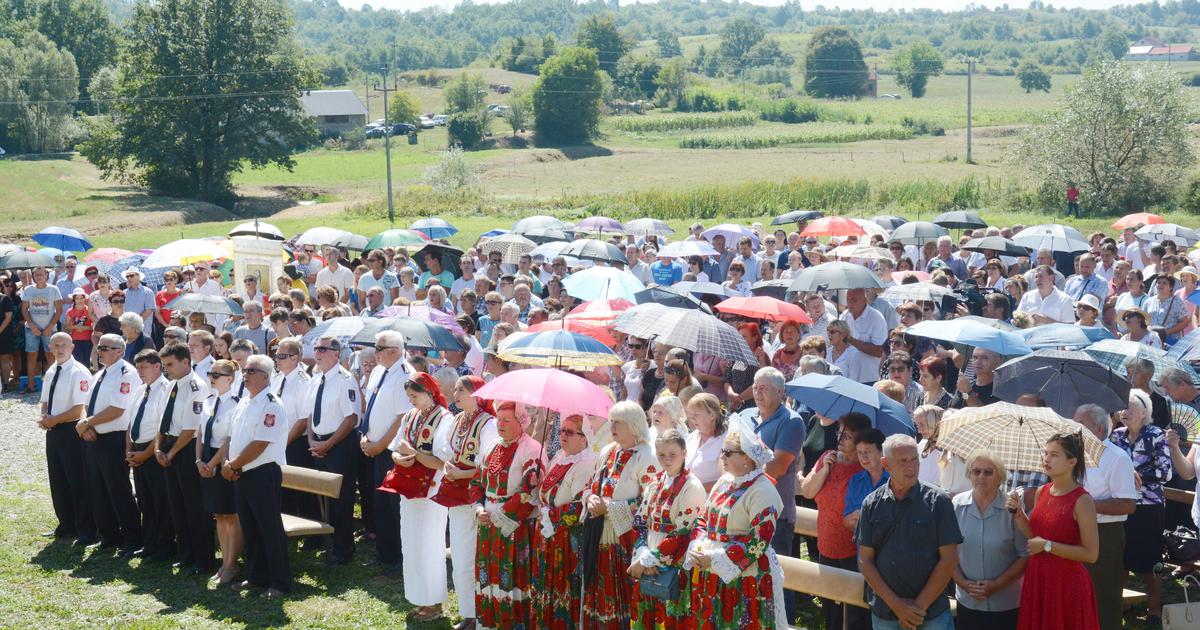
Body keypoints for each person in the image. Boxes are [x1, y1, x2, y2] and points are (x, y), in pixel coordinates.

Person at [683, 414, 787, 629]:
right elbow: (704, 518)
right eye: (722, 451)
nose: (722, 457)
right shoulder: (725, 480)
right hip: (710, 569)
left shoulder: (763, 490)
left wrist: (716, 558)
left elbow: (758, 542)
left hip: (745, 575)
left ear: (748, 458)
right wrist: (697, 544)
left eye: (728, 453)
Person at [857, 434, 962, 630]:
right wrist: (898, 607)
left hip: (931, 614)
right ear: (886, 464)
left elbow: (949, 559)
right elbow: (865, 560)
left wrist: (917, 608)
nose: (911, 466)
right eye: (903, 461)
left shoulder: (939, 502)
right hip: (886, 613)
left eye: (915, 459)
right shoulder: (871, 504)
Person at [1007, 432, 1100, 630]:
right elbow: (1035, 537)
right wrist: (1018, 514)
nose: (1046, 459)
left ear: (1072, 462)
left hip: (1065, 584)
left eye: (1055, 455)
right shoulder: (1042, 491)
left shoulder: (1083, 501)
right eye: (1046, 453)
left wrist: (1048, 546)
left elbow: (1091, 554)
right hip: (1038, 577)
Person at [581, 401, 658, 628]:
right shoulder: (607, 451)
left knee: (622, 593)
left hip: (625, 538)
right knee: (599, 591)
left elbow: (649, 500)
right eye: (611, 421)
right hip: (599, 533)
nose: (612, 426)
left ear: (634, 425)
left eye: (619, 422)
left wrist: (611, 507)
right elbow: (590, 485)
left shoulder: (647, 456)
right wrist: (590, 498)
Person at [738, 367, 805, 622]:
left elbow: (776, 467)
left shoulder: (792, 421)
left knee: (778, 576)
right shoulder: (744, 415)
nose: (758, 392)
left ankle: (785, 623)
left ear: (780, 392)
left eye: (764, 388)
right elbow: (728, 455)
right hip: (743, 511)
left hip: (775, 513)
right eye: (755, 387)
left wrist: (741, 469)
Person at [223, 354, 292, 597]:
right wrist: (231, 464)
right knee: (250, 529)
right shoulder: (245, 401)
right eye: (245, 370)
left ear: (265, 376)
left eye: (251, 371)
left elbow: (261, 443)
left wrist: (233, 465)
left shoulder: (271, 403)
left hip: (262, 473)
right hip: (242, 472)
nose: (245, 374)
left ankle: (279, 583)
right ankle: (257, 577)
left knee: (269, 529)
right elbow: (235, 437)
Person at [388, 373, 455, 621]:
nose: (411, 401)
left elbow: (441, 461)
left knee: (430, 543)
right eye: (409, 397)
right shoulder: (411, 415)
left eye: (414, 396)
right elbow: (396, 447)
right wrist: (399, 458)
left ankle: (435, 602)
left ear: (428, 392)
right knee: (412, 542)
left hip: (432, 491)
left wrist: (413, 454)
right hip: (409, 489)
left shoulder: (444, 419)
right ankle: (419, 598)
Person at [474, 401, 544, 630]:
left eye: (507, 420)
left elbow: (529, 491)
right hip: (487, 521)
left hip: (515, 526)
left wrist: (501, 516)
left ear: (521, 422)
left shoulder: (532, 449)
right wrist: (479, 508)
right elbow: (477, 482)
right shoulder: (493, 445)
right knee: (488, 574)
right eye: (498, 419)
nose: (500, 424)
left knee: (513, 576)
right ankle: (490, 623)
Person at [799, 412, 873, 630]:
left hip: (853, 547)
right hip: (827, 541)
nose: (839, 439)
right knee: (829, 603)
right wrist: (825, 470)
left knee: (854, 609)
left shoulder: (866, 468)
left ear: (861, 439)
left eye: (847, 436)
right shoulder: (827, 457)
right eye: (839, 433)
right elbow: (808, 492)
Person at [627, 428, 706, 628]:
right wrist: (642, 551)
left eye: (673, 454)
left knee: (670, 620)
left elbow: (683, 532)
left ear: (684, 453)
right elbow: (640, 522)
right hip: (649, 562)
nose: (667, 460)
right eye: (661, 455)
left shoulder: (692, 486)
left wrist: (648, 559)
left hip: (672, 567)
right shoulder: (656, 482)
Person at [433, 376, 495, 628]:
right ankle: (468, 612)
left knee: (474, 555)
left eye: (462, 390)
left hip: (477, 497)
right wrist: (449, 465)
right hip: (456, 493)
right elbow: (447, 450)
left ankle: (480, 613)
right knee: (459, 555)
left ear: (477, 394)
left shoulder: (488, 423)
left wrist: (463, 473)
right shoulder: (458, 419)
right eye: (455, 389)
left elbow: (489, 465)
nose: (456, 394)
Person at [1109, 389, 1171, 623]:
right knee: (1121, 554)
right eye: (1122, 408)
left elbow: (1165, 472)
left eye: (1130, 408)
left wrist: (1137, 475)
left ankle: (1154, 606)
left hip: (1149, 504)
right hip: (1123, 502)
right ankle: (1123, 602)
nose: (1124, 412)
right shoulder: (1116, 436)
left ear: (1144, 413)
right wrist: (1125, 473)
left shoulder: (1156, 435)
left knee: (1150, 557)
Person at [79, 333, 143, 556]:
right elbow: (88, 404)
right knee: (97, 489)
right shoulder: (101, 373)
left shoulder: (127, 373)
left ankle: (133, 539)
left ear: (120, 351)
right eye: (99, 347)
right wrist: (88, 426)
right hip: (95, 437)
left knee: (118, 489)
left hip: (113, 439)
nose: (100, 350)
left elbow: (118, 408)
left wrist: (88, 422)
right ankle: (109, 536)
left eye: (105, 348)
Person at [1075, 404, 1138, 630]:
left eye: (1080, 424)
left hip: (1104, 536)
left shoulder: (1117, 458)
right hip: (1073, 532)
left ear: (1100, 430)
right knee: (1075, 597)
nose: (1074, 428)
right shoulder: (1071, 454)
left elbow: (1128, 504)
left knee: (1102, 598)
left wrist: (1086, 505)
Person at [358, 330, 414, 576]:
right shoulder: (380, 371)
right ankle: (385, 553)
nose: (375, 352)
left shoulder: (405, 375)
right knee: (379, 503)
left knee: (395, 506)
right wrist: (365, 436)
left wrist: (380, 445)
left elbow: (401, 419)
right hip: (374, 446)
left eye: (378, 348)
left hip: (392, 451)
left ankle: (402, 558)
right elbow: (370, 406)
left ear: (394, 350)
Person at [531, 414, 595, 629]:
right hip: (547, 534)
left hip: (567, 539)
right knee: (543, 584)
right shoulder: (559, 456)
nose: (563, 436)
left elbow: (579, 507)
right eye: (562, 431)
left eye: (570, 432)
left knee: (563, 588)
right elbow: (547, 493)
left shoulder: (586, 464)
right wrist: (539, 484)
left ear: (584, 438)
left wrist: (550, 516)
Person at [952, 450, 1028, 630]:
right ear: (969, 474)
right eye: (976, 471)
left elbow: (1025, 555)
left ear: (1000, 476)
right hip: (967, 602)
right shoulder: (956, 505)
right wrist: (962, 583)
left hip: (1005, 603)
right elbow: (947, 551)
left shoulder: (1013, 509)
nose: (981, 477)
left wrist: (997, 585)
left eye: (988, 472)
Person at [156, 341, 214, 574]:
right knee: (177, 505)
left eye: (170, 364)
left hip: (186, 448)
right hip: (169, 446)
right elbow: (163, 420)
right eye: (164, 364)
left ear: (185, 362)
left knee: (194, 506)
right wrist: (159, 447)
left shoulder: (196, 386)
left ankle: (203, 559)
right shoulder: (171, 385)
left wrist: (171, 451)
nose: (166, 369)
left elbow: (191, 428)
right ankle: (186, 554)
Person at [303, 336, 361, 565]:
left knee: (341, 499)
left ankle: (343, 549)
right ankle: (332, 543)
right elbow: (310, 413)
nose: (317, 352)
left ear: (337, 353)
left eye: (323, 349)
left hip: (339, 445)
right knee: (324, 497)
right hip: (318, 443)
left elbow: (350, 419)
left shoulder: (345, 380)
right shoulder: (316, 378)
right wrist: (311, 439)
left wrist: (328, 444)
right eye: (316, 348)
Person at [39, 332, 94, 544]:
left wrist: (54, 420)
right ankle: (66, 524)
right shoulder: (52, 369)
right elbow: (45, 400)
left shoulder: (78, 372)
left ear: (72, 347)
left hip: (71, 430)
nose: (60, 349)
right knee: (58, 478)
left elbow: (79, 409)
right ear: (51, 348)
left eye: (64, 345)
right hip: (53, 429)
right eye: (56, 346)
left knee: (77, 479)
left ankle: (85, 528)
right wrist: (45, 417)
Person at [196, 358, 243, 585]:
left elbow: (228, 439)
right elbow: (200, 433)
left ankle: (231, 564)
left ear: (230, 379)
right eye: (210, 374)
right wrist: (198, 460)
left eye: (216, 375)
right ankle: (224, 562)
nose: (211, 378)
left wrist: (213, 463)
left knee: (230, 514)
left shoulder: (236, 403)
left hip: (222, 459)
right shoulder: (208, 401)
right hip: (206, 457)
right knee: (218, 514)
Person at [21, 266, 62, 393]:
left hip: (49, 327)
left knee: (50, 355)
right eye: (36, 275)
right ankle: (31, 385)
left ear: (46, 275)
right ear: (33, 276)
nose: (38, 277)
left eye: (41, 274)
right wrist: (32, 325)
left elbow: (59, 310)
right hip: (31, 328)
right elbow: (24, 309)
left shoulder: (53, 289)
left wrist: (50, 326)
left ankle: (53, 386)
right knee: (31, 355)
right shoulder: (28, 290)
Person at [844, 428, 889, 528]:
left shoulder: (895, 480)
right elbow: (846, 521)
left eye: (867, 452)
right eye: (859, 452)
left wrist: (865, 514)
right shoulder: (855, 481)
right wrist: (854, 517)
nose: (863, 457)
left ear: (882, 452)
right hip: (862, 542)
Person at [684, 393, 727, 491]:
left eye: (696, 415)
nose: (692, 418)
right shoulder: (691, 437)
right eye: (690, 415)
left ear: (712, 415)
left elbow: (727, 480)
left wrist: (695, 489)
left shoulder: (726, 441)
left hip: (709, 500)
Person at [66, 289, 93, 365]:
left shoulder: (89, 310)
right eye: (77, 298)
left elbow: (94, 326)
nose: (80, 300)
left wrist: (85, 328)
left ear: (85, 298)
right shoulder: (70, 311)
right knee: (77, 360)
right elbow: (68, 326)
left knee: (86, 360)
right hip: (75, 339)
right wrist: (75, 327)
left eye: (81, 298)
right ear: (74, 299)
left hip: (88, 339)